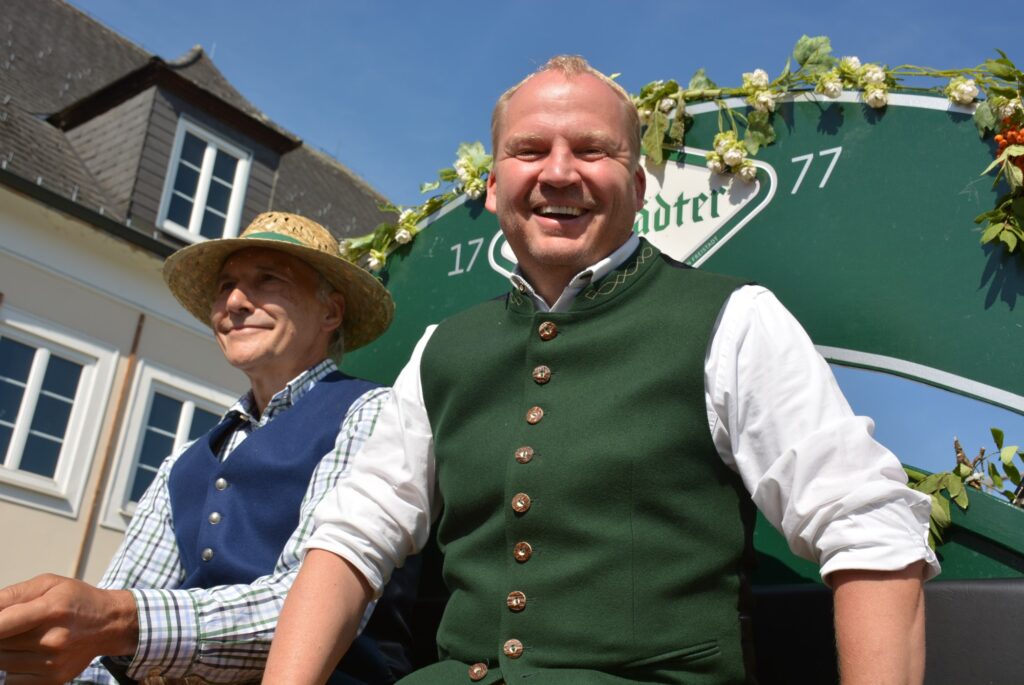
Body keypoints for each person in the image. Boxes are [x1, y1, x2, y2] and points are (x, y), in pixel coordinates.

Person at [265, 57, 939, 685]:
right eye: (529, 151)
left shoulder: (735, 320)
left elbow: (868, 525)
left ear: (639, 185)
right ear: (495, 188)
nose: (559, 172)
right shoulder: (443, 349)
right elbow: (350, 539)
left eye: (593, 150)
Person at [0, 212, 418, 684]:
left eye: (268, 280)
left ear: (330, 312)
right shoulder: (183, 462)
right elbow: (107, 625)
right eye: (225, 286)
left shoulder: (371, 414)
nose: (235, 301)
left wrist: (117, 621)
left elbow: (313, 606)